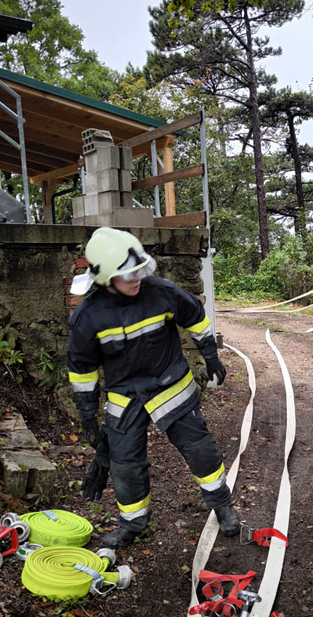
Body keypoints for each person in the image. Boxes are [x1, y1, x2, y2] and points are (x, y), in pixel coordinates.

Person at [67, 227, 240, 548]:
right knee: (124, 464)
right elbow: (82, 370)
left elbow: (196, 317)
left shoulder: (161, 292)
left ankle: (222, 505)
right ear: (105, 277)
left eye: (138, 270)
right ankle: (133, 524)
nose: (136, 278)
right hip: (124, 396)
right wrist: (88, 415)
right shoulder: (88, 318)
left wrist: (211, 357)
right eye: (126, 274)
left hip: (170, 385)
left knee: (199, 449)